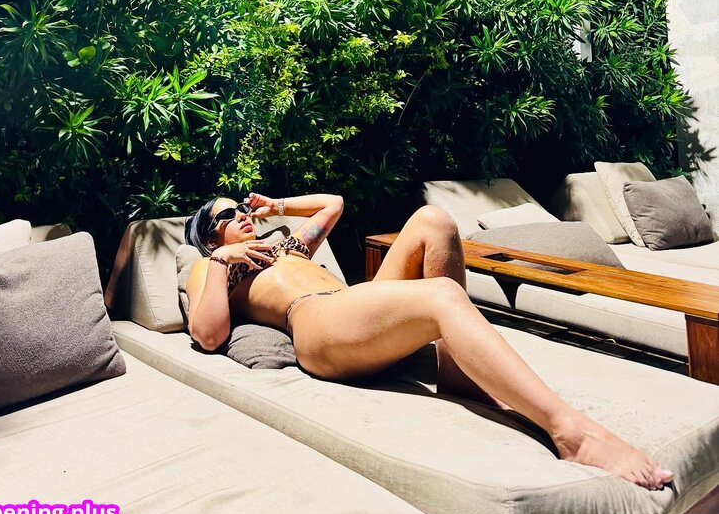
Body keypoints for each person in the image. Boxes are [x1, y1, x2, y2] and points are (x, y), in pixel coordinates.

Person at [185, 190, 674, 491]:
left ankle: (455, 371)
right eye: (228, 216)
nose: (242, 215)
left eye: (241, 208)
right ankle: (572, 433)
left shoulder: (286, 248)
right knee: (441, 295)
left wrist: (278, 207)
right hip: (316, 324)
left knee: (433, 220)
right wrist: (224, 262)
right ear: (210, 238)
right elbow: (208, 335)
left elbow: (333, 204)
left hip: (353, 306)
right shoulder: (213, 266)